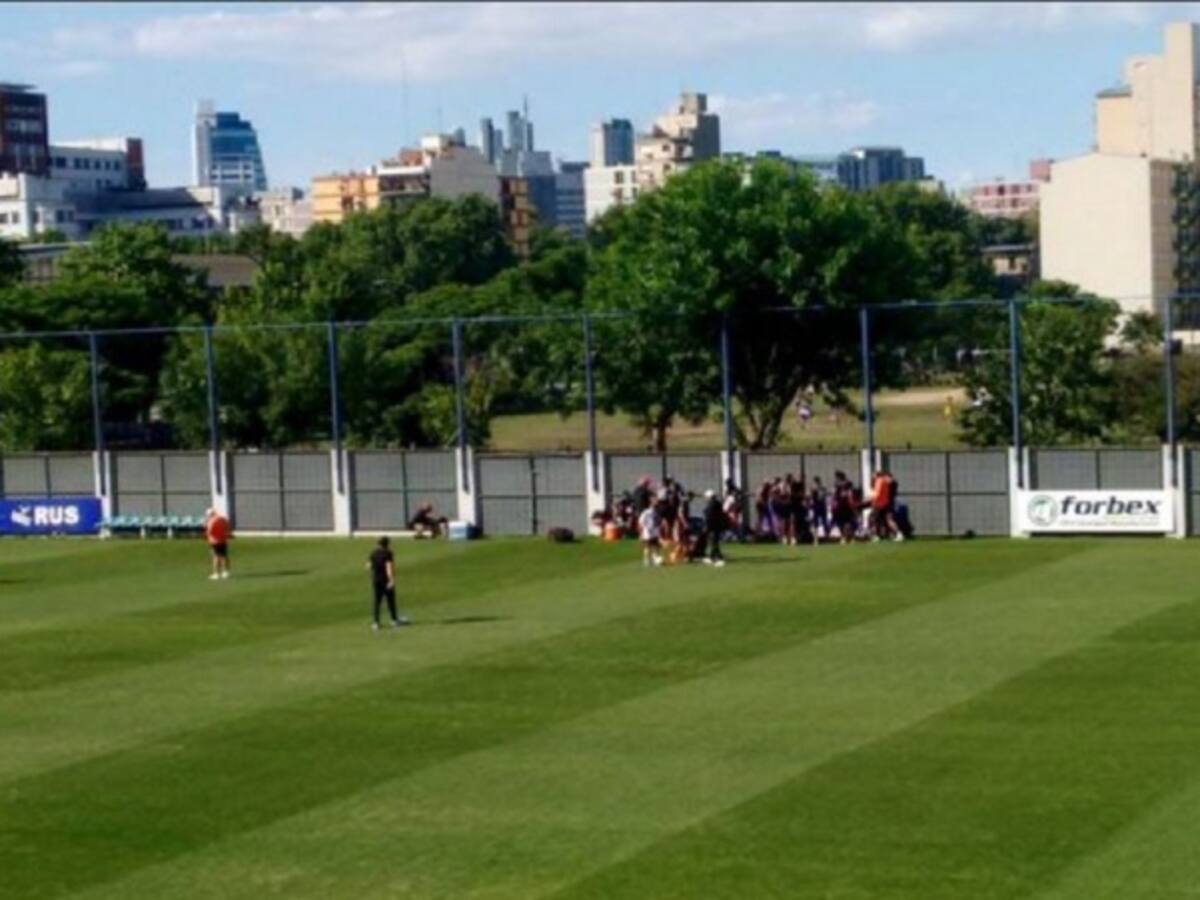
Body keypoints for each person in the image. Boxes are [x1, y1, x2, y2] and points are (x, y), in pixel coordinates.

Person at [366, 536, 409, 630]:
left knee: (377, 601)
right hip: (385, 580)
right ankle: (393, 620)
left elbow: (368, 566)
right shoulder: (388, 553)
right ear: (387, 544)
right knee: (390, 600)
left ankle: (376, 623)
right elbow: (388, 567)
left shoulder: (373, 553)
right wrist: (391, 580)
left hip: (376, 579)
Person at [204, 507, 232, 580]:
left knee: (216, 556)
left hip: (214, 541)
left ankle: (216, 573)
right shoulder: (222, 519)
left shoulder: (211, 521)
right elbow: (227, 527)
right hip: (223, 539)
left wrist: (207, 535)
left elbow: (209, 532)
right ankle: (226, 572)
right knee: (224, 555)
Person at [702, 488, 727, 567]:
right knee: (714, 541)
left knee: (713, 541)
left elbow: (709, 517)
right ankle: (716, 556)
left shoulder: (711, 505)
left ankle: (716, 557)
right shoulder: (718, 503)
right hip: (717, 525)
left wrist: (706, 526)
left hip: (712, 526)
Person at [638, 501, 663, 567]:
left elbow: (658, 522)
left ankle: (656, 559)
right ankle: (646, 560)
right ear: (651, 505)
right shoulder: (646, 512)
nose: (656, 508)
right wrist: (641, 533)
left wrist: (659, 531)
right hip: (648, 531)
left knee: (656, 546)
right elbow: (641, 522)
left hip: (655, 531)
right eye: (655, 506)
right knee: (648, 546)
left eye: (656, 506)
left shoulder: (657, 512)